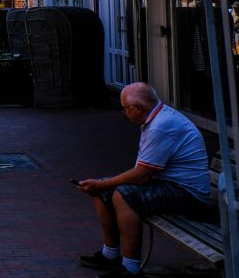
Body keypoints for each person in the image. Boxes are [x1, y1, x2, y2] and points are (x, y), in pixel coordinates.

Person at [75, 83, 211, 277]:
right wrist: (102, 185)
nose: (124, 113)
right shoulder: (154, 118)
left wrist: (105, 183)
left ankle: (130, 268)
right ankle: (110, 255)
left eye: (125, 109)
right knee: (102, 190)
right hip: (168, 184)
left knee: (123, 195)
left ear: (138, 108)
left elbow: (142, 175)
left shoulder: (160, 127)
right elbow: (142, 172)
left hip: (188, 194)